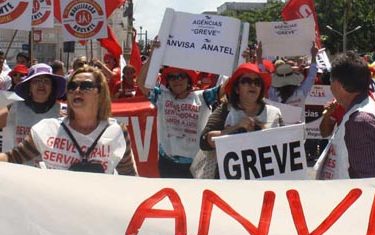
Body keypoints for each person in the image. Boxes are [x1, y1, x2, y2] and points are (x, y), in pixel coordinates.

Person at [0, 65, 137, 175]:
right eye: (72, 86)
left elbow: (129, 176)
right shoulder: (46, 129)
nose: (77, 90)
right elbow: (11, 158)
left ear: (100, 93)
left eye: (86, 86)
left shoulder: (117, 131)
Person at [137, 39, 221, 178]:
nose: (177, 80)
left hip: (195, 165)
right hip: (167, 163)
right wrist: (153, 55)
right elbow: (140, 82)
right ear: (168, 82)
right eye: (172, 77)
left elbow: (228, 87)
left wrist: (244, 61)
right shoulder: (161, 97)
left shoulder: (203, 97)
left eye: (181, 76)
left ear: (189, 81)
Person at [314, 52, 375, 180]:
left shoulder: (361, 122)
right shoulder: (364, 109)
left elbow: (368, 182)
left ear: (338, 85)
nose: (330, 85)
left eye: (330, 80)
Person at [199, 62, 283, 178]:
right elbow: (204, 142)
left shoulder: (275, 113)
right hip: (230, 181)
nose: (253, 85)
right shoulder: (226, 110)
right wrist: (236, 127)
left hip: (264, 180)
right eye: (247, 81)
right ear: (237, 89)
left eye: (257, 82)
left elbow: (285, 147)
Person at [0, 63, 66, 166]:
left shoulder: (62, 113)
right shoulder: (15, 108)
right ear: (29, 86)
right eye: (36, 81)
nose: (41, 85)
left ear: (52, 87)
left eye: (46, 81)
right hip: (18, 169)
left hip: (48, 172)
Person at [266, 43, 318, 112]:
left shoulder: (273, 93)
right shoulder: (301, 92)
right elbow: (311, 75)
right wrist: (314, 55)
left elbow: (263, 77)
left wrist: (259, 57)